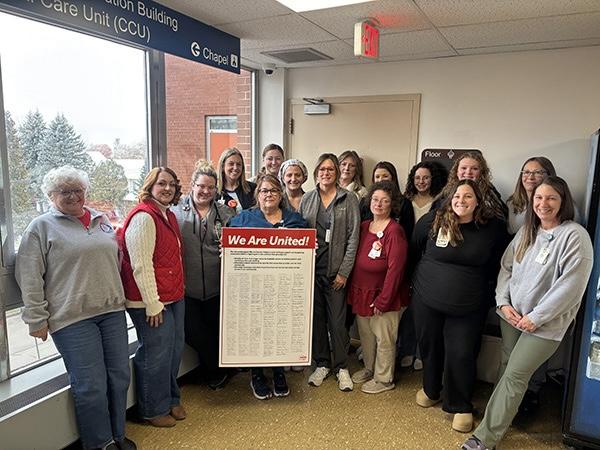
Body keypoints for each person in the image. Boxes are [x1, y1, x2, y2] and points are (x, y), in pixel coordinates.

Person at [462, 176, 593, 450]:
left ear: (563, 202)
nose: (543, 204)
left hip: (545, 326)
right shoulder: (527, 232)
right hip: (512, 316)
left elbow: (570, 287)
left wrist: (536, 318)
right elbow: (506, 268)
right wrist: (503, 302)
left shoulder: (574, 236)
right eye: (538, 198)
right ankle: (495, 419)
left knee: (515, 375)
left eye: (551, 198)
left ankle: (484, 438)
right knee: (506, 368)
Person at [16, 166, 135, 450]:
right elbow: (29, 275)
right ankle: (100, 443)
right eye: (64, 191)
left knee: (119, 377)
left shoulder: (101, 219)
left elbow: (115, 260)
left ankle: (118, 434)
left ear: (86, 192)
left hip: (111, 312)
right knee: (91, 385)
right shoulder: (41, 227)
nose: (72, 196)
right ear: (50, 195)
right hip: (72, 319)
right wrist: (36, 318)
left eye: (77, 190)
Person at [411, 180, 507, 433]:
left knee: (461, 352)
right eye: (456, 196)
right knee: (429, 345)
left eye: (468, 196)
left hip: (468, 304)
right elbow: (414, 250)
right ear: (449, 198)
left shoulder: (493, 228)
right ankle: (431, 389)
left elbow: (500, 265)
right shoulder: (433, 221)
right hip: (426, 299)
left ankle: (459, 404)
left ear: (478, 201)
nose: (461, 201)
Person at [229, 174, 308, 399]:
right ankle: (257, 375)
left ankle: (279, 372)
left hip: (283, 289)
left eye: (273, 190)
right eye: (264, 190)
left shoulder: (295, 220)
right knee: (256, 330)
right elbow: (228, 244)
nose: (269, 194)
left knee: (279, 328)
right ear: (257, 195)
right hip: (254, 289)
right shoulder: (244, 219)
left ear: (281, 194)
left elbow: (307, 248)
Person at [120, 167, 186, 428]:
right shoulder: (144, 218)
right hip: (151, 302)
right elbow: (141, 265)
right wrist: (152, 304)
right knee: (155, 355)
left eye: (171, 184)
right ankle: (151, 409)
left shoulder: (166, 215)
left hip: (172, 296)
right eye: (161, 184)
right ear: (150, 186)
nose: (167, 188)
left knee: (173, 350)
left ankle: (170, 398)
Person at [172, 160, 236, 390]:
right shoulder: (175, 211)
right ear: (192, 185)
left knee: (218, 332)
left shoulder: (226, 213)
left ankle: (217, 373)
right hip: (186, 289)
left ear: (216, 189)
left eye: (210, 187)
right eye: (201, 186)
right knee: (194, 334)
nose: (205, 191)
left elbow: (238, 244)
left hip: (218, 287)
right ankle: (218, 371)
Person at [299, 153, 360, 392]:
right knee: (317, 320)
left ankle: (342, 367)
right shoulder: (308, 199)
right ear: (316, 173)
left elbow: (353, 238)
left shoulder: (349, 199)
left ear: (336, 174)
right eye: (322, 170)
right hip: (313, 271)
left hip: (336, 274)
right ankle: (322, 363)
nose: (326, 173)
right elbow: (300, 233)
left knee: (337, 322)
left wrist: (344, 272)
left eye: (330, 170)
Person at [347, 181, 409, 394]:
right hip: (362, 292)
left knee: (384, 339)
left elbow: (396, 270)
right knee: (366, 336)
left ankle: (384, 379)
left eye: (384, 201)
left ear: (392, 204)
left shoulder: (395, 231)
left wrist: (385, 299)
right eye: (375, 199)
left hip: (384, 296)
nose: (379, 204)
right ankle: (369, 368)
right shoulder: (364, 227)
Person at [397, 160, 448, 371]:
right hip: (407, 258)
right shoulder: (405, 201)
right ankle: (407, 349)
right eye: (417, 178)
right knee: (408, 308)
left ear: (433, 178)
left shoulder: (441, 202)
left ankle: (421, 352)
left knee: (425, 310)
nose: (421, 181)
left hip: (428, 260)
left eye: (425, 177)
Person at [435, 152, 507, 219]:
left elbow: (502, 216)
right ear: (456, 171)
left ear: (481, 173)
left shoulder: (490, 192)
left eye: (474, 169)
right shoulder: (446, 192)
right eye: (464, 168)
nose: (468, 172)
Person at [359, 161, 415, 239]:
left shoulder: (404, 203)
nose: (381, 180)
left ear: (393, 178)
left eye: (385, 176)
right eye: (377, 177)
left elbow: (407, 234)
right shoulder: (364, 202)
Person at [507, 156, 557, 235]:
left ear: (549, 175)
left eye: (537, 172)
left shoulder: (560, 205)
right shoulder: (511, 203)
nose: (530, 177)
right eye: (526, 172)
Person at [217, 147, 256, 212]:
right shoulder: (214, 191)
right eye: (231, 164)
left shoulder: (252, 189)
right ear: (223, 166)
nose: (235, 168)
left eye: (238, 164)